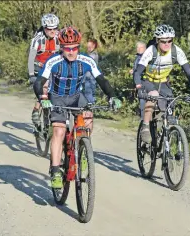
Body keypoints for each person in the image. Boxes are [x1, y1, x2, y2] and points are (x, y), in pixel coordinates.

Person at [33, 26, 121, 188]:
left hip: (76, 96)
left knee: (88, 119)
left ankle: (83, 149)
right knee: (59, 131)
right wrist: (42, 97)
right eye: (67, 48)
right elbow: (39, 82)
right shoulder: (53, 61)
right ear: (62, 48)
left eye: (74, 48)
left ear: (78, 47)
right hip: (57, 97)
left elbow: (102, 80)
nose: (71, 52)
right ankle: (55, 171)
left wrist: (112, 96)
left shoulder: (86, 61)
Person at [133, 24, 190, 143]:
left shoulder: (176, 51)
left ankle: (166, 136)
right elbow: (137, 73)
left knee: (171, 103)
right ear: (157, 40)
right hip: (148, 81)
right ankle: (145, 126)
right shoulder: (151, 51)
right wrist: (139, 88)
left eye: (170, 41)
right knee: (153, 95)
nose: (167, 44)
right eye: (163, 41)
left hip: (164, 82)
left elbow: (189, 72)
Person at [28, 13, 60, 127]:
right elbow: (31, 58)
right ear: (44, 28)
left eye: (55, 28)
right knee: (44, 91)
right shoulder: (37, 39)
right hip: (39, 68)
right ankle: (36, 110)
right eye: (49, 29)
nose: (52, 31)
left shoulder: (59, 37)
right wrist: (31, 75)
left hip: (52, 68)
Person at [129, 41, 147, 119]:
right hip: (138, 81)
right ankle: (143, 117)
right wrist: (133, 70)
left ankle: (144, 119)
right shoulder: (138, 57)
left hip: (143, 81)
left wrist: (135, 72)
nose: (138, 49)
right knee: (141, 99)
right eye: (137, 47)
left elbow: (143, 69)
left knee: (143, 99)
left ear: (144, 48)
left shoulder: (145, 57)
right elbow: (137, 68)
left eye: (140, 47)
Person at [83, 38, 99, 103]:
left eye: (90, 47)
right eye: (88, 47)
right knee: (89, 92)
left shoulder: (93, 55)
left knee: (89, 93)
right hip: (88, 76)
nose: (88, 48)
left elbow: (86, 62)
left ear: (94, 46)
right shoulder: (90, 54)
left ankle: (90, 105)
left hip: (90, 77)